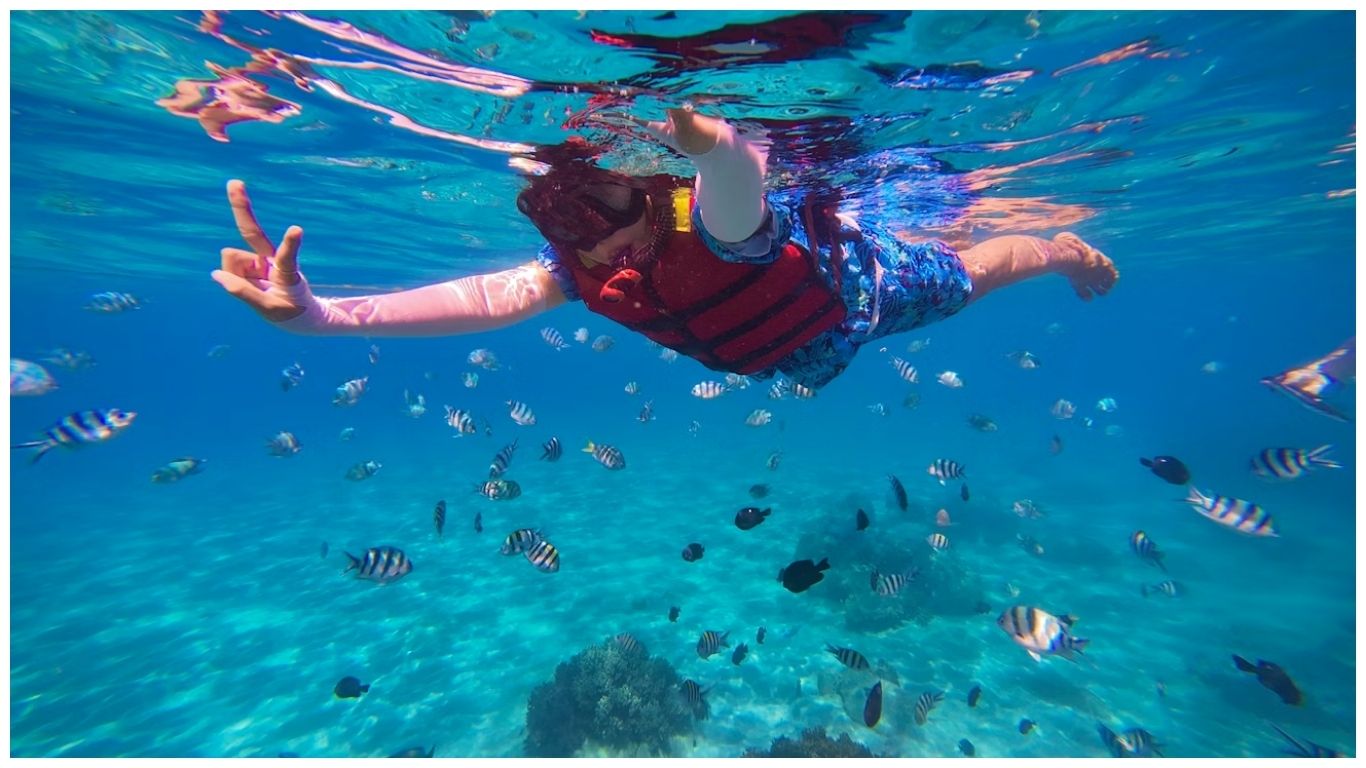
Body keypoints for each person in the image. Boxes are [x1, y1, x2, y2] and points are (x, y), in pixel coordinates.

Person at [212, 108, 1118, 389]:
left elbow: (734, 203)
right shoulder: (589, 265)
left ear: (649, 187)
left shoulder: (710, 223)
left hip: (855, 295)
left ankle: (1060, 248)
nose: (596, 238)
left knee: (975, 273)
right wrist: (324, 318)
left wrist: (719, 150)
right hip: (787, 349)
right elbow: (487, 300)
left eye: (602, 204)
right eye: (563, 222)